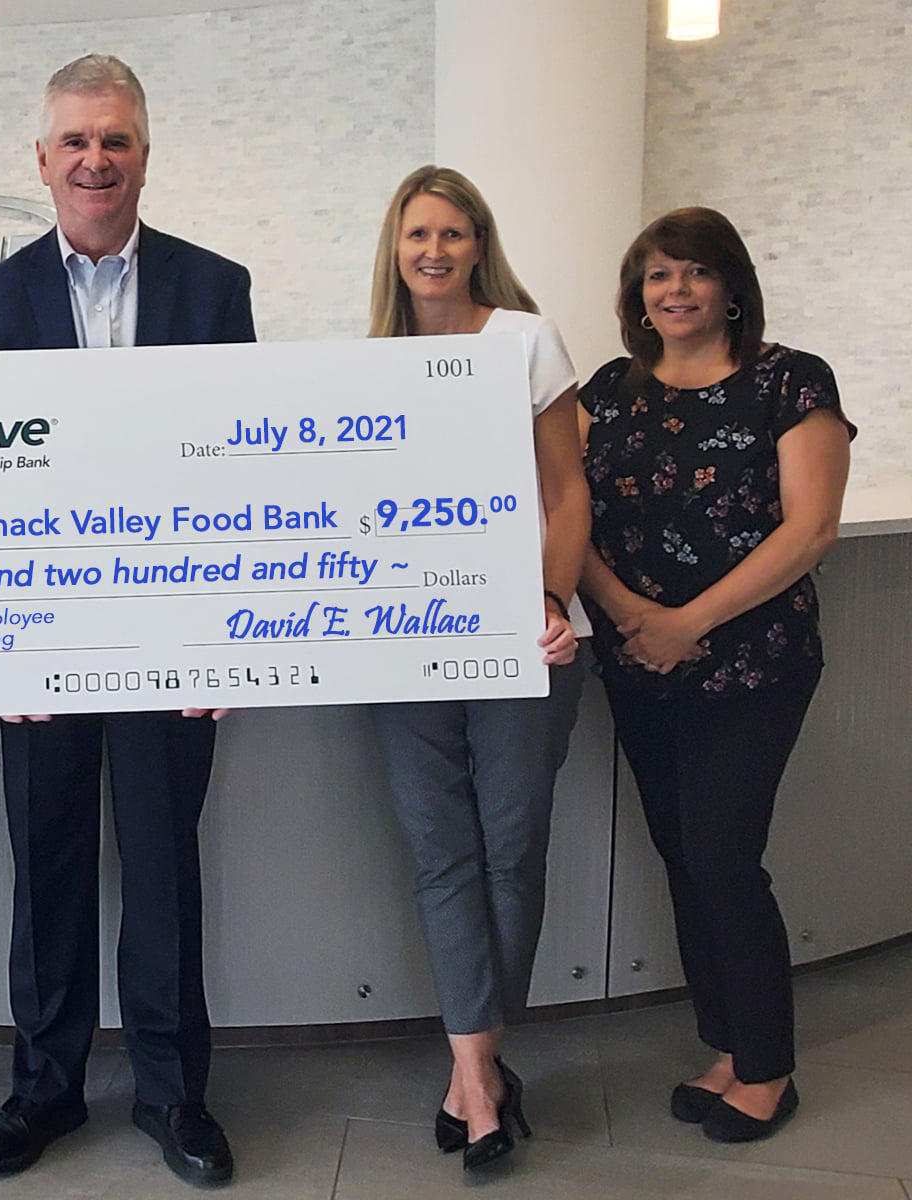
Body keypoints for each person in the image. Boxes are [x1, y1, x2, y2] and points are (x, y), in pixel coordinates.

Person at [0, 53, 253, 1188]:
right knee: (49, 865)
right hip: (40, 641)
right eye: (75, 141)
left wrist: (224, 639)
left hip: (172, 638)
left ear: (144, 154)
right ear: (42, 160)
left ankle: (174, 1095)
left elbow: (240, 473)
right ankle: (45, 1088)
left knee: (165, 866)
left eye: (114, 139)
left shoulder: (214, 290)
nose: (95, 159)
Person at [578, 207, 852, 1144]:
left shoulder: (791, 381)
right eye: (658, 274)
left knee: (724, 859)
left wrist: (684, 622)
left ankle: (769, 1068)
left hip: (753, 663)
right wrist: (628, 613)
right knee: (682, 857)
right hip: (638, 659)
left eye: (695, 271)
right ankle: (729, 1049)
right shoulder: (610, 390)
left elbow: (811, 529)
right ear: (637, 294)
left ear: (732, 286)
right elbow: (563, 508)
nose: (676, 290)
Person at [364, 165, 589, 1174]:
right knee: (440, 855)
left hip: (528, 639)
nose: (435, 251)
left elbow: (566, 492)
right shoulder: (371, 364)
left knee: (511, 851)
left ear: (479, 244)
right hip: (406, 643)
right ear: (396, 248)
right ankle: (476, 1077)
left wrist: (549, 599)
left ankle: (476, 1074)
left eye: (453, 233)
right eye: (418, 234)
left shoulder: (527, 341)